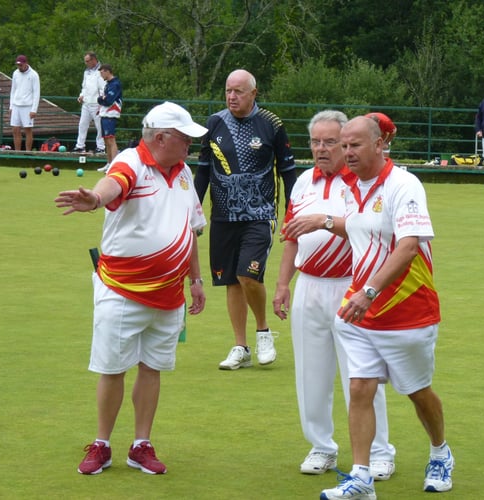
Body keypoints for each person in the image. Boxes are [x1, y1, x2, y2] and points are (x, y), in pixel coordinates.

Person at [54, 101, 208, 476]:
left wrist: (196, 279)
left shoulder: (184, 173)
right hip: (122, 290)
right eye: (185, 138)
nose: (191, 145)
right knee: (112, 368)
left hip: (170, 296)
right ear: (161, 138)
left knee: (152, 367)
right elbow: (111, 185)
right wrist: (93, 198)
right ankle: (102, 443)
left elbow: (190, 231)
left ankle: (141, 444)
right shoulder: (131, 161)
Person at [308, 116, 454, 498]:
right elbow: (360, 228)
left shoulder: (404, 185)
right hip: (359, 314)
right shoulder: (349, 187)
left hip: (408, 312)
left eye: (354, 145)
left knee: (418, 392)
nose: (346, 152)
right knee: (359, 388)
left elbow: (408, 246)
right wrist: (323, 221)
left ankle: (440, 451)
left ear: (379, 145)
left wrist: (368, 291)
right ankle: (361, 478)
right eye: (343, 145)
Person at [273, 110, 396, 481]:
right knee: (311, 372)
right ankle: (321, 446)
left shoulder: (360, 182)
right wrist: (282, 285)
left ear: (345, 144)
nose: (322, 149)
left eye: (331, 142)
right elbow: (291, 238)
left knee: (361, 373)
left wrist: (324, 221)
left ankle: (379, 452)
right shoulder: (301, 184)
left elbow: (369, 231)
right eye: (316, 142)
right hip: (307, 286)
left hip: (351, 286)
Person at [194, 68, 297, 370]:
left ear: (254, 93)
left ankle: (263, 331)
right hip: (223, 215)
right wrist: (193, 210)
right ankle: (241, 347)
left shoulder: (272, 125)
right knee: (231, 280)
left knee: (247, 274)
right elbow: (203, 170)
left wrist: (293, 212)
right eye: (228, 90)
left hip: (260, 214)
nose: (231, 96)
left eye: (238, 91)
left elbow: (288, 172)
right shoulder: (213, 124)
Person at [73, 51, 105, 154]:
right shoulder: (86, 72)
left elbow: (103, 88)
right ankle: (80, 146)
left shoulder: (101, 71)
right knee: (82, 124)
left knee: (99, 126)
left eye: (87, 61)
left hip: (97, 103)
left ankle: (101, 147)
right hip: (86, 103)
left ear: (94, 60)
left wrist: (102, 102)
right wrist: (81, 95)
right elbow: (84, 87)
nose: (86, 63)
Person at [9, 55, 40, 151]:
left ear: (26, 63)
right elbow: (13, 90)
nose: (19, 67)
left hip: (27, 106)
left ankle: (27, 152)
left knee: (28, 130)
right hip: (16, 105)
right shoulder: (15, 74)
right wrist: (11, 106)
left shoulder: (34, 75)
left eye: (21, 65)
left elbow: (36, 93)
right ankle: (17, 152)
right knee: (15, 130)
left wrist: (34, 109)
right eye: (18, 65)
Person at [96, 64, 122, 172]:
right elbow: (101, 99)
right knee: (106, 140)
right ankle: (109, 163)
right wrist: (101, 99)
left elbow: (108, 100)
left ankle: (114, 166)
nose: (101, 75)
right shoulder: (108, 84)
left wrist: (102, 99)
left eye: (102, 72)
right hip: (104, 113)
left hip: (111, 114)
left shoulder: (115, 84)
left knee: (111, 139)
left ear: (107, 71)